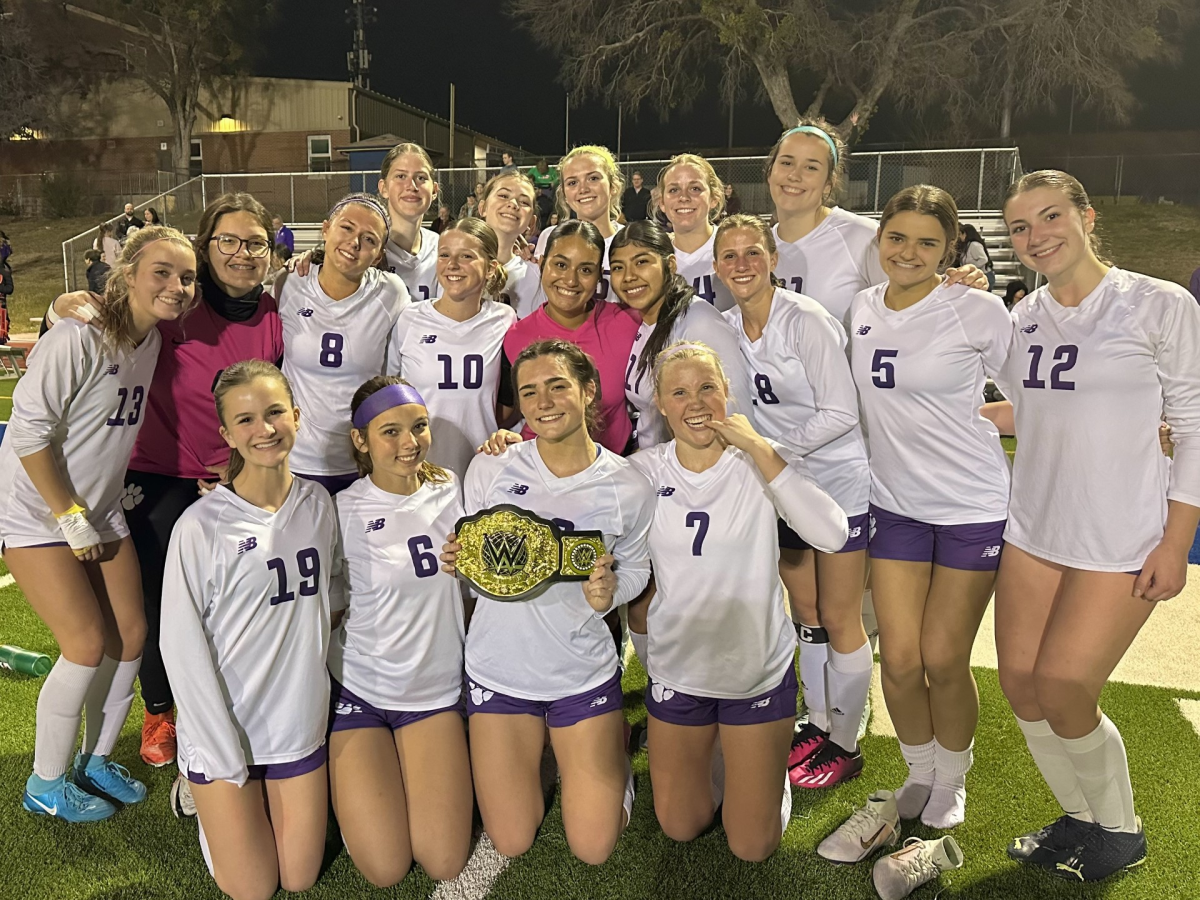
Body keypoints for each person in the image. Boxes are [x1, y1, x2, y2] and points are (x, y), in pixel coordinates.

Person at [993, 170, 1200, 881]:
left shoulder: (1158, 303)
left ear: (1086, 216)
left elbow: (1195, 422)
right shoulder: (1023, 316)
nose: (1036, 237)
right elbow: (1037, 411)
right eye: (1021, 228)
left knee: (1066, 687)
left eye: (1050, 217)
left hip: (1121, 533)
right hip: (1035, 526)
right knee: (1020, 683)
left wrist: (1176, 541)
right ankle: (1079, 815)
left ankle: (1121, 828)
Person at [43, 192, 287, 773]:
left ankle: (234, 693)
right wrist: (61, 306)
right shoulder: (179, 302)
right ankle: (159, 708)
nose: (242, 253)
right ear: (207, 247)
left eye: (254, 242)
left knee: (233, 596)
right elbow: (111, 318)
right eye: (228, 240)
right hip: (158, 476)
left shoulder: (274, 311)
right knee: (152, 600)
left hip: (236, 477)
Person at [825, 187, 1011, 856]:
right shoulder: (863, 306)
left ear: (950, 248)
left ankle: (952, 780)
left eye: (927, 243)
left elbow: (1032, 397)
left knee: (942, 657)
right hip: (896, 504)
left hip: (971, 507)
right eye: (897, 238)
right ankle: (921, 773)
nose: (909, 252)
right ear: (881, 242)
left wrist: (981, 421)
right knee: (899, 660)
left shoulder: (977, 309)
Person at [0, 226, 197, 822]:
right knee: (85, 646)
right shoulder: (77, 337)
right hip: (38, 512)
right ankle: (45, 781)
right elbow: (29, 433)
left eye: (185, 277)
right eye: (161, 271)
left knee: (132, 637)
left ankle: (95, 758)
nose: (176, 285)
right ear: (129, 271)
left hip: (102, 507)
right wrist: (68, 514)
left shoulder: (149, 341)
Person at [630, 341, 848, 860]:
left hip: (755, 673)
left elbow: (833, 534)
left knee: (753, 846)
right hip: (679, 672)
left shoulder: (759, 460)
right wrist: (508, 446)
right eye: (678, 392)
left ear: (727, 392)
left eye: (707, 387)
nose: (696, 401)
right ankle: (725, 754)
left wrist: (761, 450)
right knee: (682, 825)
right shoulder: (643, 471)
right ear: (660, 404)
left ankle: (761, 770)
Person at [442, 339, 654, 865]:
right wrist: (464, 562)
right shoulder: (491, 469)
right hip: (499, 673)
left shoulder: (628, 483)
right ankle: (543, 751)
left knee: (594, 847)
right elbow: (476, 579)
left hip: (581, 675)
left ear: (587, 392)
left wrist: (611, 593)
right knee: (513, 839)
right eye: (529, 391)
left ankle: (610, 747)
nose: (544, 401)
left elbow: (637, 570)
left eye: (558, 386)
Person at [162, 360, 340, 899]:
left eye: (274, 413)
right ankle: (197, 789)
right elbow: (179, 643)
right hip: (226, 728)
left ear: (297, 416)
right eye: (245, 420)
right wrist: (216, 750)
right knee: (255, 889)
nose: (263, 429)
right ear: (226, 434)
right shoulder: (200, 525)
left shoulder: (318, 505)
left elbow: (335, 592)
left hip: (297, 722)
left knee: (299, 877)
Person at [715, 213, 873, 790]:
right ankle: (817, 720)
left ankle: (847, 742)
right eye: (729, 256)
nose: (742, 265)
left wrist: (770, 448)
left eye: (752, 253)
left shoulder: (805, 320)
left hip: (832, 479)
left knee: (839, 615)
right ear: (716, 268)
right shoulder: (728, 327)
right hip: (781, 482)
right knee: (804, 612)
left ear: (773, 259)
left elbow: (840, 412)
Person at [328, 376, 472, 886]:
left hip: (433, 692)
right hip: (362, 691)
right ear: (361, 440)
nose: (409, 443)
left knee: (445, 861)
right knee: (385, 869)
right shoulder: (341, 509)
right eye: (390, 431)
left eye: (419, 427)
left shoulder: (451, 489)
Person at [273, 193, 411, 495]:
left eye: (369, 239)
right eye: (346, 228)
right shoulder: (289, 283)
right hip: (292, 458)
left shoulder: (391, 293)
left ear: (378, 254)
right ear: (326, 229)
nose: (354, 242)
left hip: (361, 460)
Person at [387, 218, 516, 479]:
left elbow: (512, 400)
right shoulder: (410, 318)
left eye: (466, 256)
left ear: (491, 268)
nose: (452, 265)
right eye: (444, 255)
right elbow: (390, 395)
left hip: (484, 466)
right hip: (419, 469)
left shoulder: (505, 319)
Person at [500, 221, 640, 455]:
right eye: (561, 265)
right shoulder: (517, 336)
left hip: (614, 473)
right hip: (539, 471)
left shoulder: (627, 324)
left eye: (585, 270)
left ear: (598, 276)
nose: (571, 280)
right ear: (543, 264)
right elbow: (513, 415)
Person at [608, 220, 747, 449]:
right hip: (659, 471)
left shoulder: (699, 322)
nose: (628, 276)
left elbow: (735, 414)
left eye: (641, 262)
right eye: (617, 267)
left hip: (699, 474)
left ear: (670, 265)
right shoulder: (645, 323)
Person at [655, 153, 735, 312]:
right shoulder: (653, 256)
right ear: (662, 203)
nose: (683, 197)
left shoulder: (735, 248)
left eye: (695, 188)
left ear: (714, 198)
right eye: (674, 189)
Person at [552, 145, 625, 300]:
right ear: (564, 194)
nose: (583, 189)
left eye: (593, 178)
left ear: (613, 186)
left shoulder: (632, 242)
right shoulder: (550, 238)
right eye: (572, 183)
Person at [378, 142, 441, 301]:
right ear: (383, 188)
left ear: (434, 190)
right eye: (401, 176)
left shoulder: (443, 249)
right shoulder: (366, 247)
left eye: (421, 178)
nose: (411, 186)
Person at [478, 171, 544, 318]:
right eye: (503, 196)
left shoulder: (539, 277)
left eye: (524, 202)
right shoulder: (453, 265)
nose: (513, 204)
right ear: (482, 208)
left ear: (531, 223)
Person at [956, 224, 995, 289]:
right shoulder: (967, 246)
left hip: (984, 276)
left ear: (965, 234)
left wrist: (971, 268)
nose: (959, 236)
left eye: (960, 234)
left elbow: (984, 259)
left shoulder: (974, 245)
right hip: (975, 277)